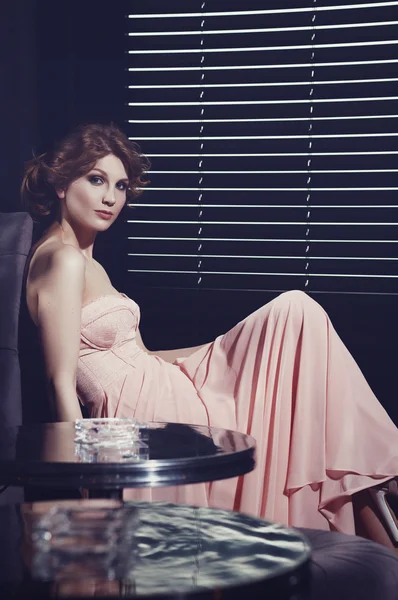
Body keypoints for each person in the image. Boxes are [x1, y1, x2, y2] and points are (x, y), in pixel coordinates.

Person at [21, 122, 398, 546]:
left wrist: (221, 349)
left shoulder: (90, 264)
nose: (111, 197)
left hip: (167, 388)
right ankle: (387, 492)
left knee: (298, 326)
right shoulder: (63, 261)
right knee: (297, 313)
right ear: (59, 184)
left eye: (121, 185)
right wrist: (88, 482)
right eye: (96, 180)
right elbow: (60, 382)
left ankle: (383, 540)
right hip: (142, 418)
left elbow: (143, 356)